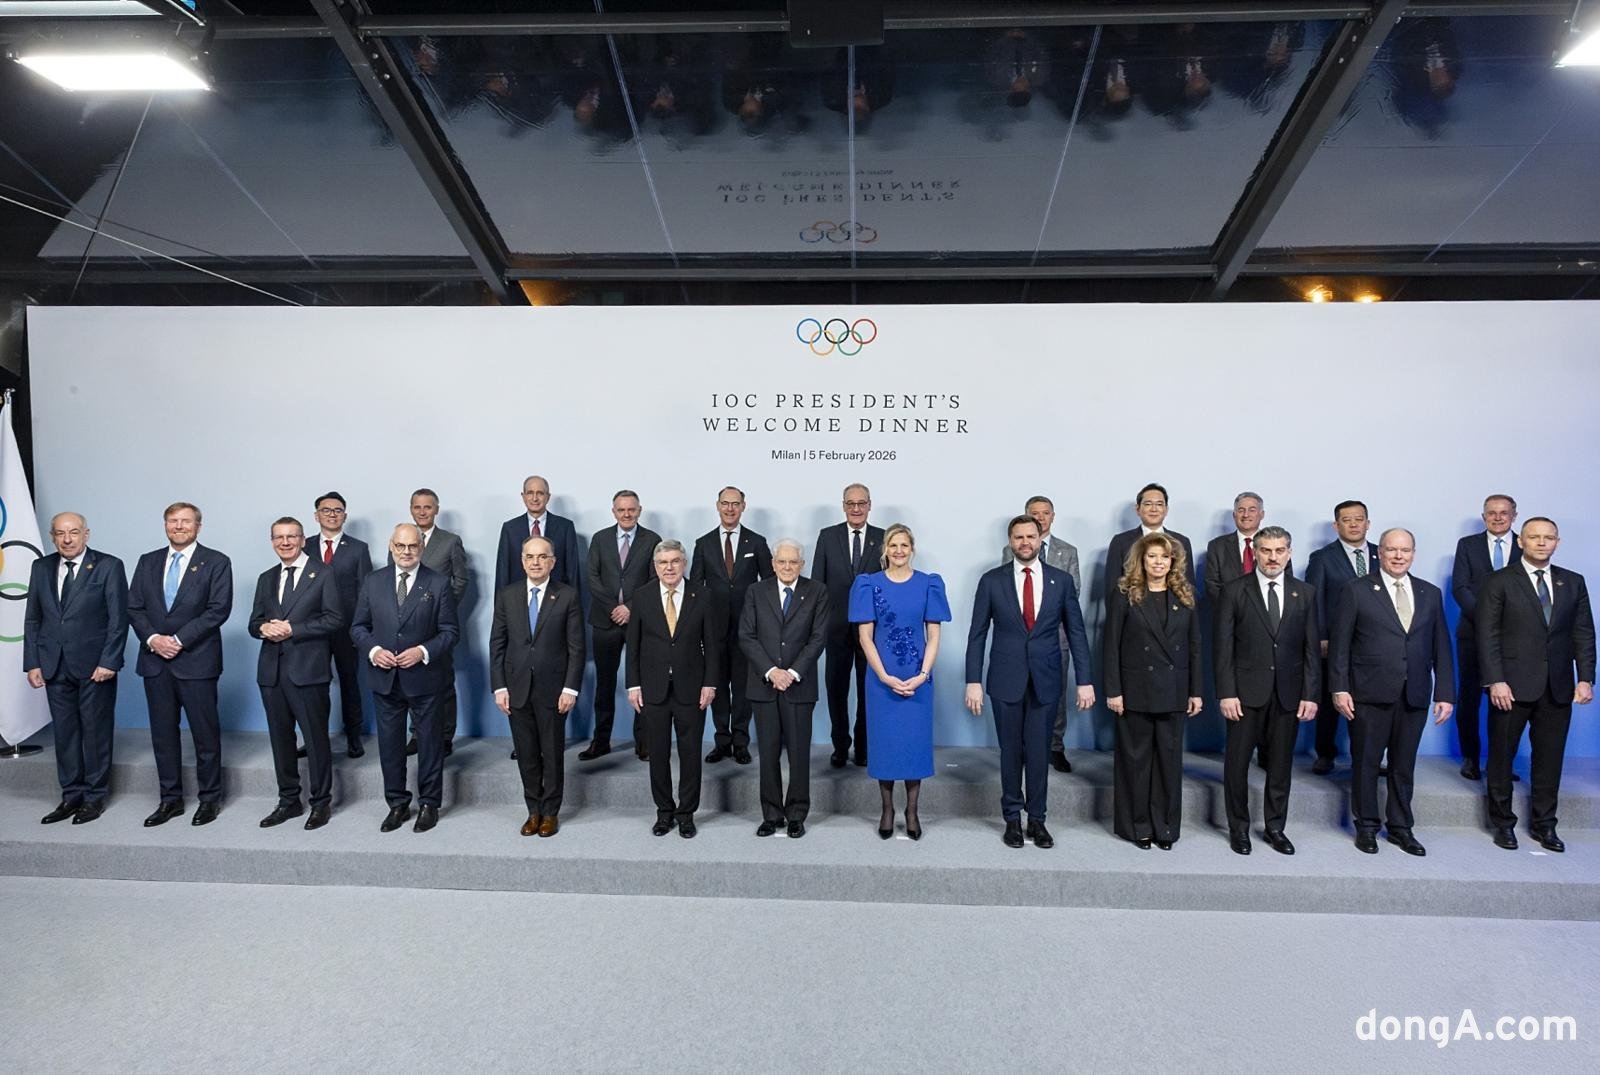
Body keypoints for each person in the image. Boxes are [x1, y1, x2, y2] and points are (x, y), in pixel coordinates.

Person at [966, 515, 1094, 849]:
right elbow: (977, 634)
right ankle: (1012, 818)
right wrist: (972, 681)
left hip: (1046, 680)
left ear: (1040, 539)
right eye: (1018, 537)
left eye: (1031, 536)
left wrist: (1085, 680)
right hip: (1005, 680)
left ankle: (1037, 820)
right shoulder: (991, 581)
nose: (1025, 542)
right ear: (1010, 541)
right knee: (1011, 752)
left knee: (1039, 753)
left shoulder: (1061, 581)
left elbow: (1077, 632)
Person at [1329, 528, 1454, 856]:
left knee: (1403, 765)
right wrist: (1340, 688)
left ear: (1413, 553)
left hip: (1414, 693)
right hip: (1368, 692)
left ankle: (1401, 828)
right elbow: (1340, 645)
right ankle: (1367, 826)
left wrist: (1445, 692)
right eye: (1392, 550)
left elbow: (1441, 645)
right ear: (1379, 553)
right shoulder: (1356, 590)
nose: (1399, 556)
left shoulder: (1430, 593)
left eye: (1405, 550)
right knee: (1366, 762)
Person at [1477, 517, 1595, 852]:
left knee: (1549, 760)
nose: (1541, 543)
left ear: (1557, 542)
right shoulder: (1498, 581)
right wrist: (1495, 680)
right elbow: (1487, 635)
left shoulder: (1572, 582)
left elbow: (1583, 632)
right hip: (1510, 687)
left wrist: (1585, 678)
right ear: (1520, 541)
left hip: (1557, 686)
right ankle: (1503, 823)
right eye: (1534, 537)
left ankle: (1545, 826)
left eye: (1548, 537)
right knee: (1502, 756)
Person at [1212, 525, 1319, 856]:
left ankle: (1275, 828)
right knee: (1237, 765)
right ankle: (1239, 828)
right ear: (1255, 553)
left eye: (1279, 551)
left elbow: (1311, 649)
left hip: (1288, 694)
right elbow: (1223, 647)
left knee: (1280, 766)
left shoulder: (1306, 593)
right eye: (1266, 551)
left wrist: (1310, 694)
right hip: (1244, 695)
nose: (1273, 557)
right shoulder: (1234, 590)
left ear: (1289, 553)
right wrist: (1226, 692)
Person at [126, 502, 233, 828]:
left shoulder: (216, 561)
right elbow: (134, 607)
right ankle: (170, 800)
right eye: (173, 521)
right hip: (155, 662)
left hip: (196, 661)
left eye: (186, 521)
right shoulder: (148, 561)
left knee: (205, 736)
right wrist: (153, 639)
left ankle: (209, 799)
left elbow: (218, 610)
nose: (179, 526)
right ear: (165, 525)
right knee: (163, 736)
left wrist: (178, 640)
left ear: (198, 526)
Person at [353, 523, 461, 834]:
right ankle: (397, 804)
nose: (406, 551)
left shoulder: (438, 583)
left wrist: (422, 652)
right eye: (400, 546)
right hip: (385, 678)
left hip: (425, 678)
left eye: (413, 546)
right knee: (389, 746)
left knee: (429, 744)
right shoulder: (373, 581)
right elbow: (358, 627)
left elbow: (450, 632)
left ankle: (429, 804)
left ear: (421, 548)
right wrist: (374, 651)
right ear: (391, 546)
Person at [23, 512, 128, 825]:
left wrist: (109, 661)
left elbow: (118, 619)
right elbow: (33, 618)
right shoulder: (41, 567)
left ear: (86, 534)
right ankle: (71, 795)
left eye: (73, 532)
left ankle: (94, 798)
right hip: (53, 664)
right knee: (65, 733)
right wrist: (33, 662)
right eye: (60, 533)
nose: (67, 539)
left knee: (95, 733)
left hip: (95, 666)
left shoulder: (108, 566)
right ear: (53, 537)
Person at [848, 523, 951, 840]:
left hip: (918, 679)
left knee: (914, 745)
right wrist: (883, 676)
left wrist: (922, 675)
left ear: (912, 549)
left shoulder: (928, 584)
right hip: (881, 679)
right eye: (893, 545)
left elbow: (934, 636)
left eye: (904, 545)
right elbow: (865, 637)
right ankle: (887, 809)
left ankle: (912, 810)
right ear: (885, 550)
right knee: (886, 745)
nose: (898, 551)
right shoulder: (868, 584)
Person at [1104, 533, 1203, 849]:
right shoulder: (1124, 593)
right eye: (1152, 556)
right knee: (1135, 762)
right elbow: (1111, 645)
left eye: (1164, 556)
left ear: (1173, 561)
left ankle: (1166, 829)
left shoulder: (1186, 594)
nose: (1159, 562)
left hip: (1174, 690)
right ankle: (1137, 827)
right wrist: (1114, 690)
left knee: (1169, 763)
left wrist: (1196, 691)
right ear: (1141, 560)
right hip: (1135, 690)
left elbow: (1195, 646)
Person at [247, 517, 344, 831]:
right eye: (279, 537)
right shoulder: (266, 578)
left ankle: (320, 803)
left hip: (308, 671)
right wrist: (263, 628)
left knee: (315, 740)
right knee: (280, 740)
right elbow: (253, 622)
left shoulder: (323, 573)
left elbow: (334, 619)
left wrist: (294, 629)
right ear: (272, 541)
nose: (285, 542)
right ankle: (288, 801)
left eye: (291, 537)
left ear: (303, 540)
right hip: (271, 672)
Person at [491, 535, 584, 838]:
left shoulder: (567, 595)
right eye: (530, 556)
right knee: (527, 753)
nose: (536, 562)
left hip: (554, 691)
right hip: (516, 688)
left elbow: (576, 647)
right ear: (522, 561)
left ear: (552, 562)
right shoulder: (507, 595)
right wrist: (499, 687)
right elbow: (497, 644)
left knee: (552, 753)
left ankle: (551, 812)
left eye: (542, 557)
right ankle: (533, 810)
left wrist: (570, 689)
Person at [626, 540, 719, 838]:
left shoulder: (702, 595)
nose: (669, 567)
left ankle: (686, 813)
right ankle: (664, 812)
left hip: (691, 689)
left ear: (684, 564)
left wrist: (710, 683)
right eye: (663, 562)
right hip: (652, 690)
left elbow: (712, 645)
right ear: (655, 566)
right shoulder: (642, 596)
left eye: (675, 561)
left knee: (690, 754)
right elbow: (633, 645)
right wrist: (633, 685)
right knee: (658, 754)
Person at [738, 538, 830, 838]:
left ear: (801, 565)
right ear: (773, 563)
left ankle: (796, 815)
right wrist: (771, 672)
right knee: (767, 754)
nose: (787, 567)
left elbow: (818, 638)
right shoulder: (756, 591)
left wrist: (791, 673)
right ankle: (771, 814)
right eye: (781, 561)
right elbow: (747, 636)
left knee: (799, 755)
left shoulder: (817, 591)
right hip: (764, 685)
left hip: (799, 686)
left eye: (793, 562)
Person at [1000, 494, 1083, 773]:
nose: (1040, 517)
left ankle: (1055, 747)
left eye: (1045, 513)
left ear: (1052, 516)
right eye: (1034, 513)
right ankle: (1026, 746)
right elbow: (1008, 591)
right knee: (1022, 691)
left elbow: (1073, 592)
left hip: (1055, 636)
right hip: (1020, 639)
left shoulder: (1067, 551)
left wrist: (1045, 620)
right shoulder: (1009, 550)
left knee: (1055, 694)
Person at [690, 485, 773, 765]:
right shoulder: (703, 543)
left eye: (735, 504)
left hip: (747, 630)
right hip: (713, 630)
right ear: (717, 506)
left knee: (741, 687)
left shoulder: (757, 542)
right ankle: (721, 741)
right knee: (716, 684)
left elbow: (769, 585)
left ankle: (740, 742)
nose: (730, 509)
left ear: (743, 506)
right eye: (725, 503)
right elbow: (696, 589)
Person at [813, 483, 885, 768]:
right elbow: (818, 584)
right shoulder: (827, 536)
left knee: (869, 690)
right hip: (836, 628)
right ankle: (840, 746)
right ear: (843, 506)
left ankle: (864, 747)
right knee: (836, 689)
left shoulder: (883, 537)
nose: (856, 508)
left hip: (872, 630)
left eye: (861, 503)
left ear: (870, 505)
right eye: (850, 503)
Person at [1304, 500, 1379, 774]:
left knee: (1369, 701)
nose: (1354, 524)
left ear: (1368, 523)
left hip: (1373, 642)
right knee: (1329, 700)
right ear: (1337, 526)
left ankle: (1368, 756)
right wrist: (1321, 637)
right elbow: (1314, 601)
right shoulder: (1322, 558)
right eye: (1347, 520)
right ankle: (1325, 753)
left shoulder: (1382, 554)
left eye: (1359, 519)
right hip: (1335, 642)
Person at [584, 490, 660, 760]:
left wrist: (629, 607)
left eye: (631, 509)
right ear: (613, 511)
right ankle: (601, 741)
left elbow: (655, 579)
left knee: (642, 682)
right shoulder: (600, 539)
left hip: (638, 620)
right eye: (621, 510)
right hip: (604, 621)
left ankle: (644, 743)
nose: (626, 514)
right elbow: (592, 577)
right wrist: (613, 608)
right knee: (604, 685)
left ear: (639, 510)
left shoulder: (652, 540)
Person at [1452, 494, 1522, 781]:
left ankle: (1501, 763)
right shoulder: (1468, 545)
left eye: (1503, 513)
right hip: (1472, 633)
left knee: (1508, 701)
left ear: (1514, 516)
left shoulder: (1526, 544)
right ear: (1484, 517)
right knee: (1469, 698)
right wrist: (1486, 619)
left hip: (1516, 636)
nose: (1497, 517)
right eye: (1491, 513)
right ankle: (1470, 758)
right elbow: (1460, 588)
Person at [399, 488, 468, 755]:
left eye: (427, 507)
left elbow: (461, 580)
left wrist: (443, 610)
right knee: (410, 681)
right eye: (417, 507)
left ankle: (445, 736)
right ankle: (417, 734)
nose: (422, 511)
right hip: (406, 625)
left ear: (436, 510)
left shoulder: (450, 541)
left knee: (443, 681)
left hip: (438, 626)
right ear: (411, 510)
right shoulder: (400, 539)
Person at [310, 491, 372, 758]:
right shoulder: (304, 546)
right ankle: (314, 737)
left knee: (349, 682)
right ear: (316, 516)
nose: (332, 514)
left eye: (337, 510)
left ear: (344, 516)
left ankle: (353, 736)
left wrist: (361, 629)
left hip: (347, 629)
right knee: (314, 686)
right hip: (313, 629)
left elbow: (366, 592)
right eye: (326, 510)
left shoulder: (358, 548)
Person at [493, 474, 581, 593]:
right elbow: (502, 572)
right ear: (523, 496)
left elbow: (572, 571)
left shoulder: (565, 527)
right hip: (518, 598)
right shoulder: (510, 528)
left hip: (557, 597)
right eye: (530, 493)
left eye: (540, 493)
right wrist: (500, 603)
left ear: (548, 497)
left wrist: (574, 602)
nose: (535, 498)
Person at [1104, 482, 1196, 595]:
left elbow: (1189, 586)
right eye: (1148, 504)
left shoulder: (1181, 542)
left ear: (1166, 510)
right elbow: (1112, 586)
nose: (1154, 509)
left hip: (1173, 604)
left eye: (1159, 504)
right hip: (1132, 604)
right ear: (1137, 509)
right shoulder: (1120, 542)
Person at [1203, 491, 1294, 603]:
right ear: (1234, 515)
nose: (1246, 515)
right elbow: (1212, 585)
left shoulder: (1277, 544)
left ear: (1262, 514)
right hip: (1229, 611)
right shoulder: (1217, 546)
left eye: (1252, 510)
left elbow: (1286, 582)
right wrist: (1231, 608)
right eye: (1241, 510)